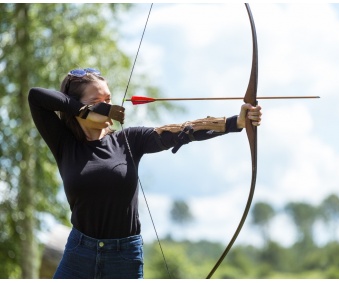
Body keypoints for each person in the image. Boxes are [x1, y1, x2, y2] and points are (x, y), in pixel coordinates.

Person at [28, 68, 262, 279]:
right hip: (80, 253)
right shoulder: (65, 144)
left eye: (108, 99)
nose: (108, 106)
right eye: (97, 101)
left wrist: (235, 122)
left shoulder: (128, 140)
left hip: (124, 257)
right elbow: (36, 97)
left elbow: (182, 131)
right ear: (80, 107)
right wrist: (83, 109)